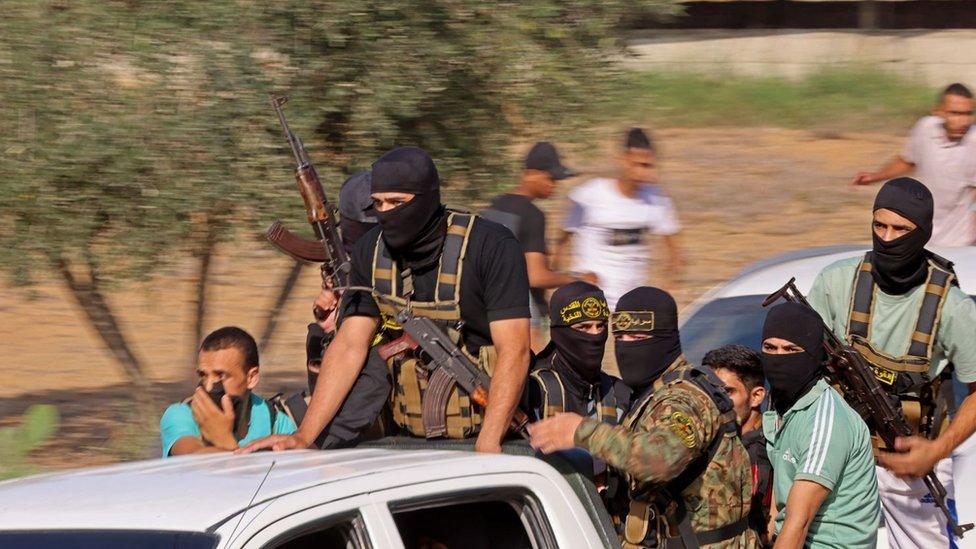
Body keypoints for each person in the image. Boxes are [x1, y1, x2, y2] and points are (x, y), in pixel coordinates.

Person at [241, 146, 530, 454]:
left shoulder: (491, 246)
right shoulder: (371, 251)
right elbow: (350, 344)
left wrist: (489, 442)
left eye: (397, 202)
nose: (387, 212)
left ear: (428, 199)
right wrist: (304, 436)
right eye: (378, 203)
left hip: (493, 434)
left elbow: (515, 349)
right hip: (407, 438)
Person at [808, 177, 976, 548]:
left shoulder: (953, 308)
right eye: (879, 225)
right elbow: (799, 361)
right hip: (840, 455)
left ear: (923, 233)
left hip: (912, 465)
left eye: (900, 229)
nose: (886, 238)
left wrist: (938, 450)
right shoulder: (837, 283)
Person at [528, 287, 756, 548]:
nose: (627, 347)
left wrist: (581, 431)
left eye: (637, 336)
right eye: (621, 337)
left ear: (665, 339)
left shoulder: (684, 399)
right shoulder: (652, 393)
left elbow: (660, 460)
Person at [760, 303, 880, 548]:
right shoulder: (782, 403)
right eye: (770, 348)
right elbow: (780, 499)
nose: (778, 358)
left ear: (813, 356)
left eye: (790, 349)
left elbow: (798, 523)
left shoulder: (825, 419)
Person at [483, 142, 596, 350]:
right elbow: (536, 276)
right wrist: (579, 280)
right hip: (525, 315)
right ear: (530, 173)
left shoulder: (494, 206)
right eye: (550, 178)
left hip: (489, 311)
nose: (554, 185)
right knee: (533, 376)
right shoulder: (533, 215)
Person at [558, 128, 681, 309]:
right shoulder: (590, 194)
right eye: (637, 164)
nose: (643, 173)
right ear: (622, 160)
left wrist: (667, 289)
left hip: (632, 305)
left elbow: (675, 254)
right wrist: (567, 284)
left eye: (648, 166)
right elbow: (560, 245)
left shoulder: (657, 199)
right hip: (589, 301)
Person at [852, 83, 976, 246]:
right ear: (938, 111)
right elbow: (909, 160)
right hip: (919, 233)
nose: (962, 121)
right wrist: (875, 176)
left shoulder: (973, 141)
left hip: (958, 241)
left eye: (968, 114)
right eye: (954, 113)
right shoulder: (925, 128)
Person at [159, 326, 297, 457]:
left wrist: (224, 439)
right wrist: (220, 436)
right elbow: (192, 455)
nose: (208, 387)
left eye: (220, 375)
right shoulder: (181, 414)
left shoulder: (275, 421)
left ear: (251, 378)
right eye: (203, 375)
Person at [525, 281, 629, 423]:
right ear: (560, 332)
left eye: (600, 326)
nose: (595, 334)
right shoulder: (533, 391)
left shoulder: (619, 394)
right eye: (584, 327)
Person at [704, 345, 772, 547]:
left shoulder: (764, 451)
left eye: (727, 392)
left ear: (756, 396)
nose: (716, 400)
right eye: (709, 390)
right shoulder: (714, 438)